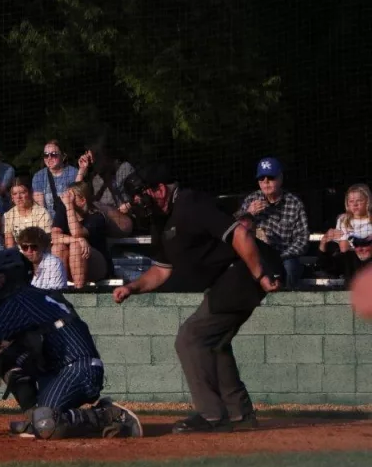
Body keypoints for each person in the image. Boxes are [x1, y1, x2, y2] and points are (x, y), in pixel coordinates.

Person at [113, 164, 283, 434]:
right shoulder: (161, 220)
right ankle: (240, 414)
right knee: (215, 343)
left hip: (244, 270)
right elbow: (162, 270)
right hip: (226, 279)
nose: (137, 203)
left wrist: (260, 274)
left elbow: (240, 233)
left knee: (190, 338)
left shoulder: (190, 204)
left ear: (160, 190)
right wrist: (132, 287)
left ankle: (212, 415)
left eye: (140, 196)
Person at [0, 249, 141, 439]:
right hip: (63, 369)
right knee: (4, 353)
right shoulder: (35, 295)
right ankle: (35, 415)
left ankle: (107, 415)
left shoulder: (16, 301)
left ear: (11, 277)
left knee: (46, 423)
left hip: (77, 370)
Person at [237, 157, 309, 288]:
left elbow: (302, 240)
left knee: (291, 266)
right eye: (261, 178)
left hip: (283, 256)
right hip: (257, 255)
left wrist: (280, 256)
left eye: (270, 177)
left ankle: (287, 298)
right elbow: (235, 230)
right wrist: (248, 213)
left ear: (280, 178)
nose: (266, 182)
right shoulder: (251, 200)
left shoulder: (294, 203)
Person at [51, 181, 129, 288]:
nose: (66, 199)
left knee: (76, 247)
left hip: (97, 266)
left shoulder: (96, 216)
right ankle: (58, 289)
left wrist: (69, 206)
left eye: (71, 196)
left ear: (83, 200)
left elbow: (76, 232)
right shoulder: (63, 211)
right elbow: (54, 236)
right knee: (58, 248)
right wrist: (76, 240)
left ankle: (79, 291)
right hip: (71, 264)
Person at [31, 139, 79, 230]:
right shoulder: (38, 177)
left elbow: (77, 200)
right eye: (46, 155)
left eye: (53, 154)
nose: (49, 158)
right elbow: (40, 208)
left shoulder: (73, 173)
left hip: (71, 221)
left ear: (63, 156)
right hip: (49, 224)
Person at [2, 176, 52, 249]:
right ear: (12, 197)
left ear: (30, 193)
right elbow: (9, 243)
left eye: (22, 192)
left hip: (38, 251)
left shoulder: (42, 213)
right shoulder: (8, 216)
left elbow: (45, 241)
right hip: (17, 253)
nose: (19, 197)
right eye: (15, 194)